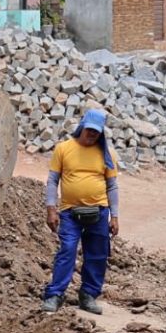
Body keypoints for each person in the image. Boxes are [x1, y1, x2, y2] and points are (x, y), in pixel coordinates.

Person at [41, 107, 120, 315]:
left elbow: (112, 186)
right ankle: (55, 294)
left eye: (96, 132)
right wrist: (51, 209)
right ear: (82, 127)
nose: (92, 134)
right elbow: (52, 181)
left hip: (99, 212)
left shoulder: (107, 154)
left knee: (97, 254)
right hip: (70, 212)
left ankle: (88, 295)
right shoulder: (63, 149)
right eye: (89, 130)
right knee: (67, 250)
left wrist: (115, 216)